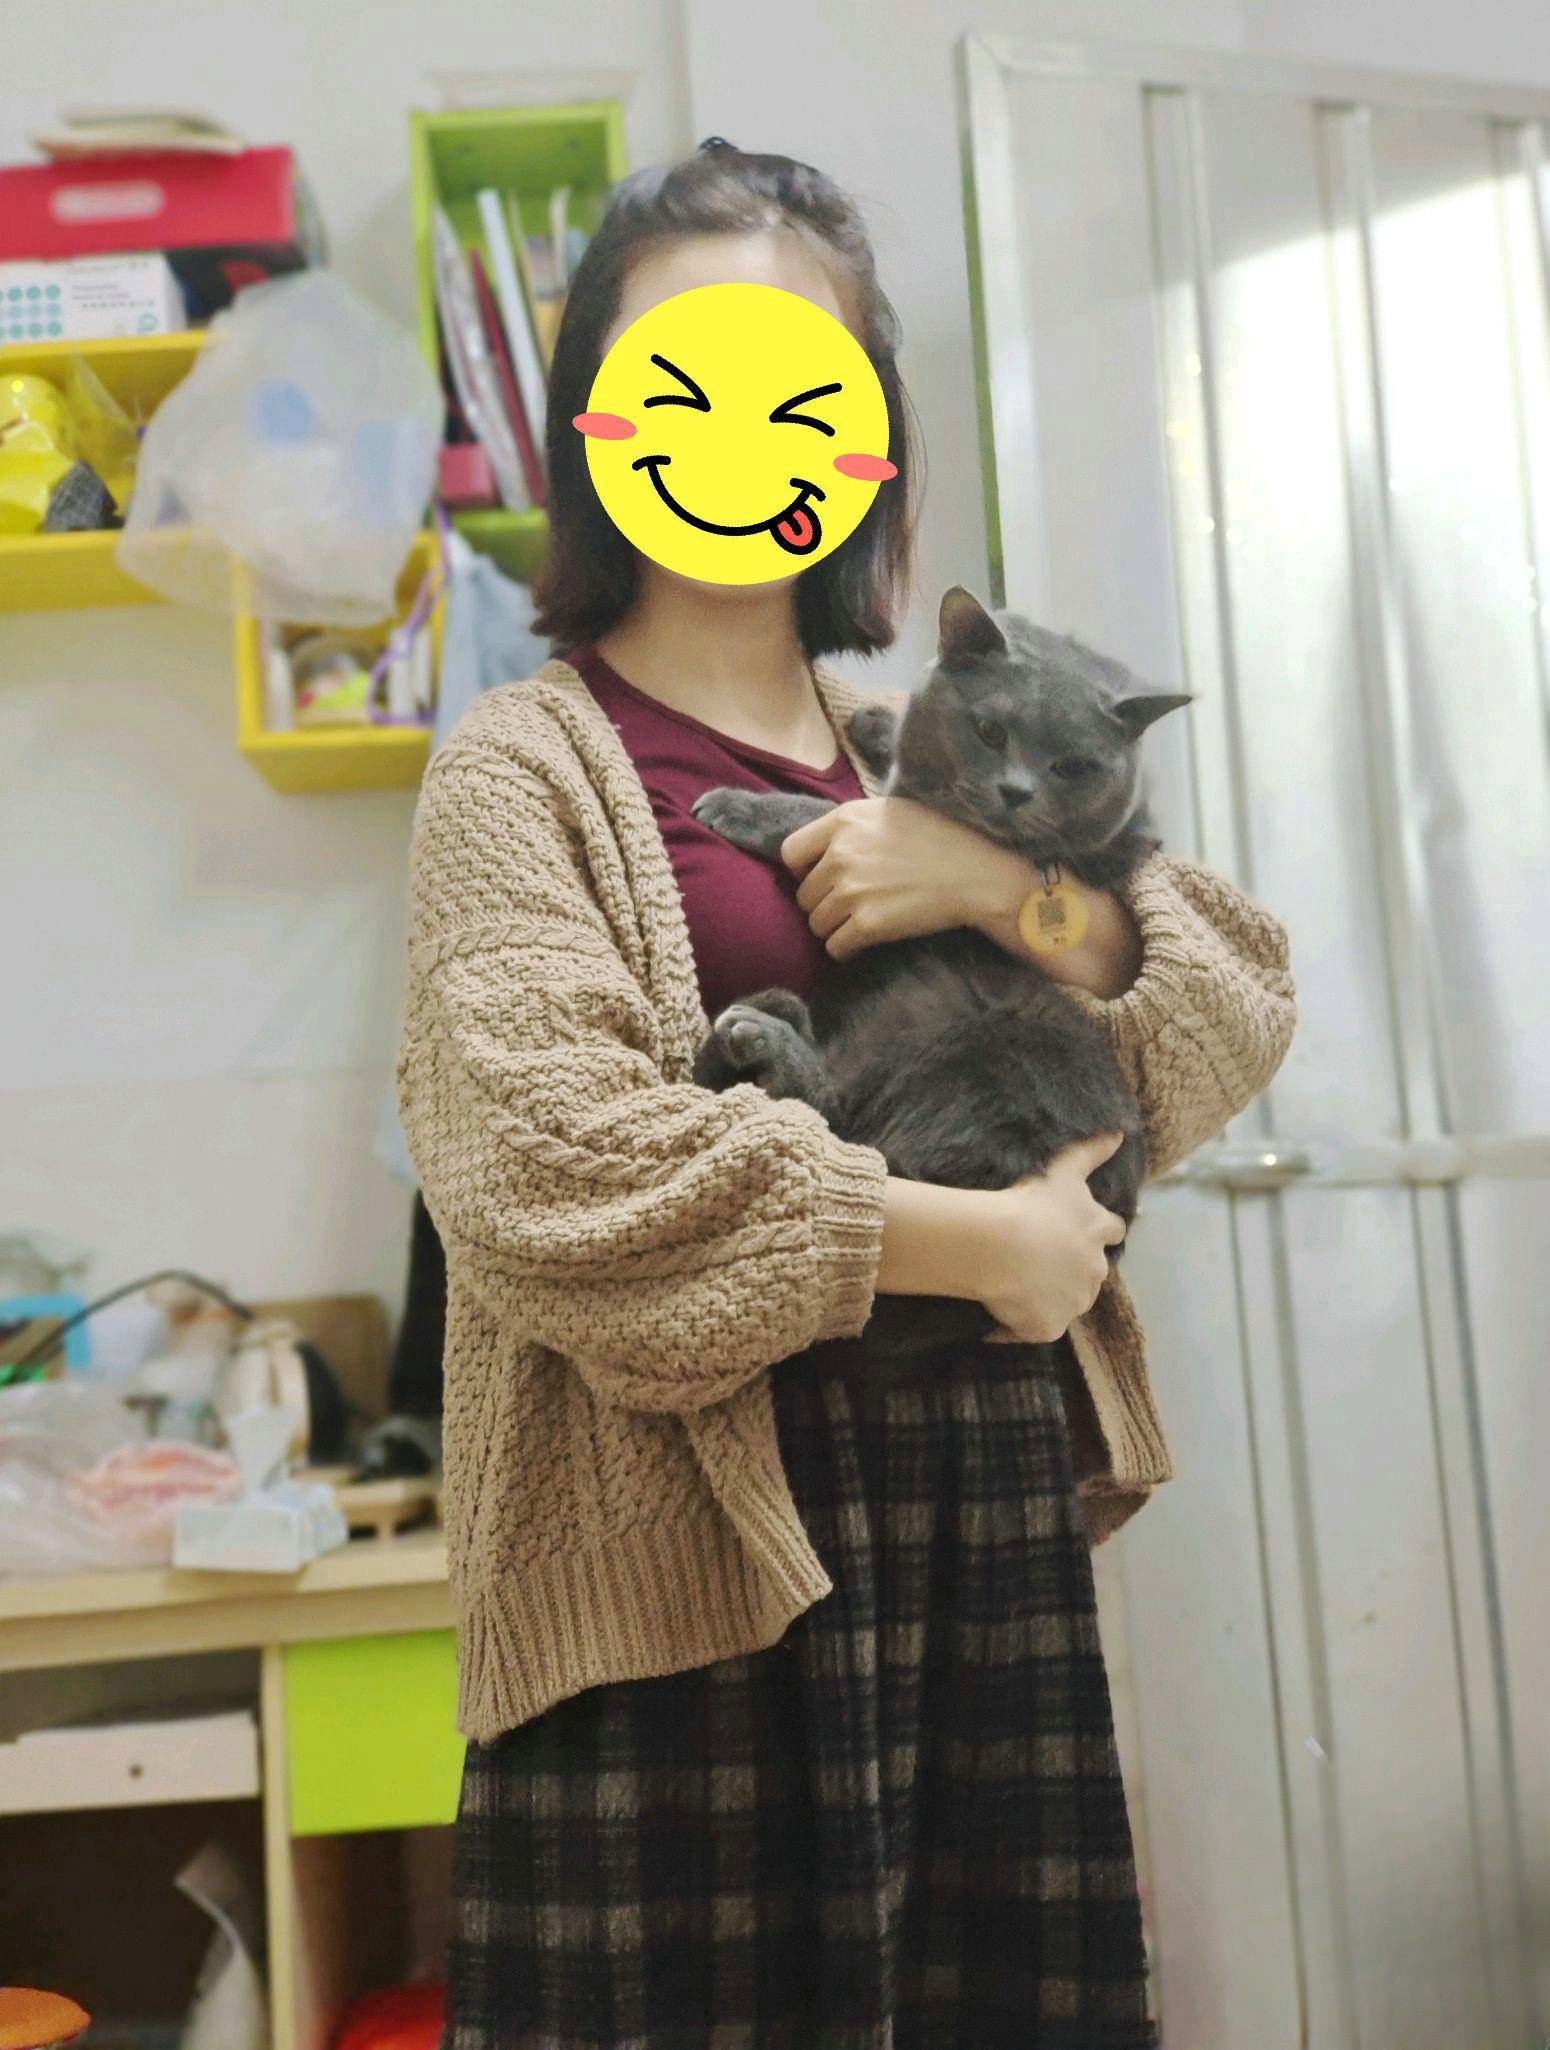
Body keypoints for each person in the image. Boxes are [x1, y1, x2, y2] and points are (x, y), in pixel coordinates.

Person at [398, 140, 1296, 2050]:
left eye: (791, 380)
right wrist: (978, 1242)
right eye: (683, 377)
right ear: (593, 421)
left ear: (865, 432)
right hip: (678, 1571)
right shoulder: (520, 767)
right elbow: (547, 1167)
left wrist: (992, 886)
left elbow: (1224, 1001)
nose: (739, 429)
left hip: (980, 1536)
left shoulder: (935, 749)